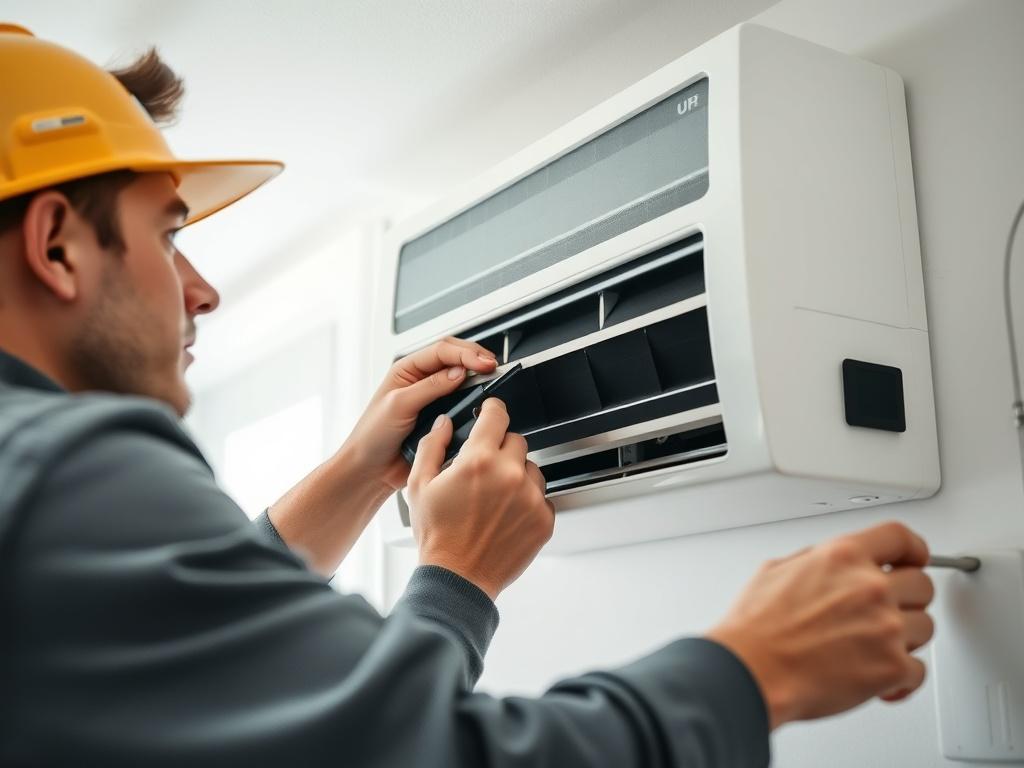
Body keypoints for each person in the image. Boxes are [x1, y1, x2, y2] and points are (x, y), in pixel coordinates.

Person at [0, 25, 935, 767]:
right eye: (168, 237)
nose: (200, 290)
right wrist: (757, 667)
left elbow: (178, 642)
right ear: (55, 247)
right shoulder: (67, 469)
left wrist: (361, 475)